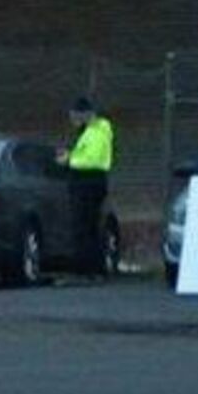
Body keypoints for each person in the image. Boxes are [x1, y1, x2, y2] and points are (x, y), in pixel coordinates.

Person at [64, 96, 115, 270]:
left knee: (84, 225)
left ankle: (87, 267)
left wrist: (69, 160)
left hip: (89, 181)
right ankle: (90, 267)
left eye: (74, 117)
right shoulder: (90, 131)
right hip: (89, 182)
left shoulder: (97, 132)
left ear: (83, 115)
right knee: (88, 225)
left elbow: (92, 160)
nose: (72, 121)